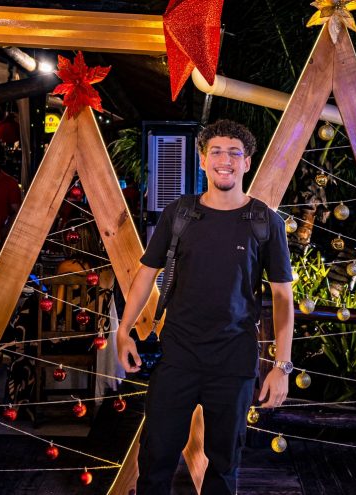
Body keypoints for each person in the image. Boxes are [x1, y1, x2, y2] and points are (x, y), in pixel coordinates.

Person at [116, 120, 294, 494]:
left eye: (234, 153)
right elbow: (147, 273)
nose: (224, 160)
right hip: (178, 355)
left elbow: (282, 297)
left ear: (247, 162)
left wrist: (281, 366)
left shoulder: (265, 222)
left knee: (224, 467)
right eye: (216, 152)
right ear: (202, 160)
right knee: (155, 460)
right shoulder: (179, 214)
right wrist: (123, 330)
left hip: (234, 361)